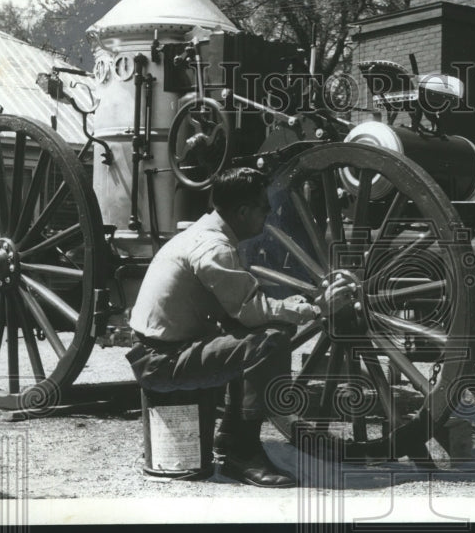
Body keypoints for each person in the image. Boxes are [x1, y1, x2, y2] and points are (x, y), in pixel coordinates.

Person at [125, 167, 352, 487]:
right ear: (243, 211)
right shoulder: (213, 247)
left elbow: (242, 311)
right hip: (162, 363)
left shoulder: (204, 233)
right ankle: (242, 452)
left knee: (270, 330)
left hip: (166, 350)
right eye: (263, 206)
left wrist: (297, 308)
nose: (269, 213)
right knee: (270, 340)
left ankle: (230, 436)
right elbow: (252, 311)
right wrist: (316, 308)